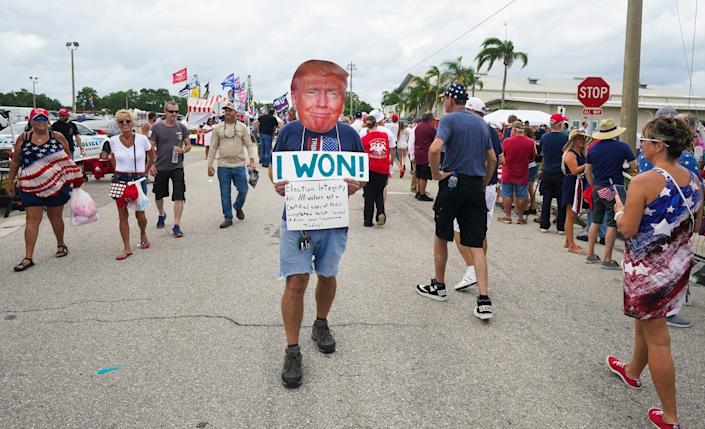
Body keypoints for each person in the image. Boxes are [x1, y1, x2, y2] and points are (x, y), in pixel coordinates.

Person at [269, 60, 364, 389]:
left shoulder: (349, 135)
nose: (322, 101)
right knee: (296, 282)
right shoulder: (290, 132)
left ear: (342, 97)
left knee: (328, 275)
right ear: (295, 96)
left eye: (332, 93)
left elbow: (359, 175)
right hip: (297, 221)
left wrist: (356, 184)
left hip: (333, 221)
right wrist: (278, 183)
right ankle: (292, 348)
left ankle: (321, 323)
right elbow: (275, 172)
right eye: (312, 92)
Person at [607, 116, 702, 429]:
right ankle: (632, 371)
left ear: (659, 146)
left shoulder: (643, 182)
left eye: (645, 141)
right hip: (677, 266)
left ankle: (670, 417)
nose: (641, 145)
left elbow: (628, 227)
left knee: (659, 339)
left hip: (647, 270)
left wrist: (619, 209)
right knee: (646, 323)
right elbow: (696, 223)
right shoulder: (694, 177)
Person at [415, 83, 497, 320]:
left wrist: (436, 174)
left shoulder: (449, 120)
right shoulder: (482, 124)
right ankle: (483, 299)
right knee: (476, 242)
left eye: (445, 99)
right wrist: (483, 182)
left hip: (452, 182)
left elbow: (435, 149)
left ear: (450, 100)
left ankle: (439, 285)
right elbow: (492, 158)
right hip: (475, 185)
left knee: (442, 234)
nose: (444, 103)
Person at [5, 108, 83, 271]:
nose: (41, 121)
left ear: (48, 120)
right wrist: (10, 181)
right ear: (30, 121)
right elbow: (15, 161)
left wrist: (73, 179)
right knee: (32, 219)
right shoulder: (24, 138)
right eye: (37, 118)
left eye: (44, 118)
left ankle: (60, 244)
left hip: (56, 185)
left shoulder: (57, 137)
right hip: (30, 185)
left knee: (55, 217)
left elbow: (67, 160)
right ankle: (28, 257)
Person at [453, 97, 503, 290]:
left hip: (474, 183)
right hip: (490, 185)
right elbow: (499, 159)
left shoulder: (467, 128)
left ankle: (473, 269)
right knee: (480, 230)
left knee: (458, 228)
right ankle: (479, 268)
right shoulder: (490, 130)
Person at [584, 118, 636, 269]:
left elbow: (588, 171)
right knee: (612, 223)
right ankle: (607, 258)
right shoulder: (622, 147)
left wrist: (594, 184)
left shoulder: (593, 149)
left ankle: (591, 253)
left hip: (597, 187)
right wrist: (624, 169)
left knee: (596, 220)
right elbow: (634, 166)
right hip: (613, 188)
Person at [109, 109, 155, 260]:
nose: (124, 124)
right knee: (122, 215)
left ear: (133, 122)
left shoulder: (142, 139)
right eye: (121, 121)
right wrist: (117, 171)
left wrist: (145, 171)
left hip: (138, 180)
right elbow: (112, 158)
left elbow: (151, 156)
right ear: (118, 124)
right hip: (120, 180)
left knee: (140, 213)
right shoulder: (113, 140)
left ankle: (143, 234)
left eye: (127, 121)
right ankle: (127, 247)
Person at [207, 101, 257, 228]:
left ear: (235, 113)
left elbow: (249, 144)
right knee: (225, 193)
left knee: (243, 190)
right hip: (223, 165)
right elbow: (213, 147)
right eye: (226, 110)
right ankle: (228, 217)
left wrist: (252, 160)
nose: (227, 112)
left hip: (239, 165)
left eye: (230, 110)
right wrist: (210, 164)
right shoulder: (218, 128)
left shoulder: (242, 128)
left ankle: (237, 206)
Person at [149, 101, 192, 238]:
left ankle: (176, 225)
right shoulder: (157, 127)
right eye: (171, 111)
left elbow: (189, 145)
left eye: (176, 112)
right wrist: (151, 164)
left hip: (177, 166)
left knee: (179, 195)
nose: (174, 114)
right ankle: (161, 214)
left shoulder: (181, 127)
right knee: (159, 195)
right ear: (165, 112)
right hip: (161, 166)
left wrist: (183, 149)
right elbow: (151, 147)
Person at [497, 120, 535, 225]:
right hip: (522, 171)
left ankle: (508, 216)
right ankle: (521, 217)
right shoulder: (530, 142)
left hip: (508, 170)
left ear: (513, 129)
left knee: (506, 194)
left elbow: (502, 155)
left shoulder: (507, 141)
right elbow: (532, 158)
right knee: (522, 195)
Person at [538, 113, 569, 233]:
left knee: (547, 199)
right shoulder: (565, 137)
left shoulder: (544, 137)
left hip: (547, 171)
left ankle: (544, 224)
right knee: (561, 200)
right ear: (560, 124)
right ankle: (561, 227)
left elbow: (542, 153)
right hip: (560, 172)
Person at [561, 130, 589, 254]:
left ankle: (568, 241)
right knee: (571, 215)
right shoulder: (570, 154)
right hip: (572, 183)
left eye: (582, 139)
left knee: (573, 213)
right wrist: (589, 164)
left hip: (578, 183)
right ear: (573, 140)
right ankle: (571, 245)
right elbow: (574, 170)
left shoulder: (581, 154)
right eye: (579, 139)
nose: (581, 141)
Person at [360, 113, 390, 227]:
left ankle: (368, 220)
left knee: (369, 194)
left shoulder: (364, 139)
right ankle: (381, 212)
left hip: (370, 168)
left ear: (366, 126)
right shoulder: (384, 136)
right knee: (379, 192)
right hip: (383, 168)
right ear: (376, 124)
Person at [414, 112, 436, 201]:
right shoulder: (430, 128)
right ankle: (422, 193)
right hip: (425, 154)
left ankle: (419, 192)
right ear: (430, 119)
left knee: (418, 174)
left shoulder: (418, 127)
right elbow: (436, 137)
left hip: (418, 152)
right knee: (424, 176)